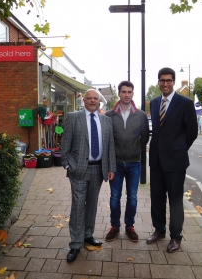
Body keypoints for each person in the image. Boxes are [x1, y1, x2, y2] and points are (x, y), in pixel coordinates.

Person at [61, 89, 116, 263]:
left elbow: (110, 146)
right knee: (78, 206)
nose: (92, 101)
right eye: (89, 98)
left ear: (99, 101)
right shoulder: (73, 117)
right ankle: (75, 244)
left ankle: (87, 235)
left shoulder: (106, 121)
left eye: (95, 98)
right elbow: (65, 144)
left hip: (98, 170)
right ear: (83, 100)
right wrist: (69, 164)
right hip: (79, 170)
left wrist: (111, 167)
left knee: (92, 203)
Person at [147, 67, 198, 253]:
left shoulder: (185, 103)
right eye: (162, 80)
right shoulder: (153, 103)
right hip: (156, 160)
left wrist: (179, 148)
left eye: (169, 80)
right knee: (157, 198)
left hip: (176, 162)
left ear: (174, 82)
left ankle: (176, 237)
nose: (165, 83)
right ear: (158, 82)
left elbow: (192, 132)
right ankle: (159, 231)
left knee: (175, 200)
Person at [105, 81, 149, 242]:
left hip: (134, 163)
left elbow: (145, 137)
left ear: (133, 93)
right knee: (115, 196)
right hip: (115, 164)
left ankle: (130, 226)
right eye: (124, 91)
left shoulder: (141, 115)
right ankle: (114, 226)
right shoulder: (110, 115)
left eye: (129, 92)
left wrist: (136, 150)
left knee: (133, 197)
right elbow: (107, 139)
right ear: (119, 93)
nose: (126, 95)